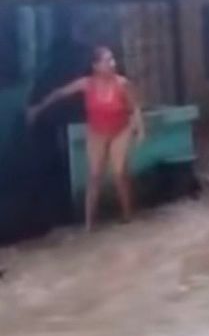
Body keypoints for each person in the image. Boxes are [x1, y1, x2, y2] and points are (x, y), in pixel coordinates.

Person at [27, 46, 144, 231]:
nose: (112, 64)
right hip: (97, 132)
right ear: (96, 66)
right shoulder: (86, 84)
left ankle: (127, 215)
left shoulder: (122, 84)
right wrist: (38, 108)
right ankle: (89, 224)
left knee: (119, 172)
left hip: (120, 130)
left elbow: (135, 107)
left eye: (112, 59)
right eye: (107, 60)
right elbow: (60, 93)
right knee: (95, 175)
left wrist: (140, 130)